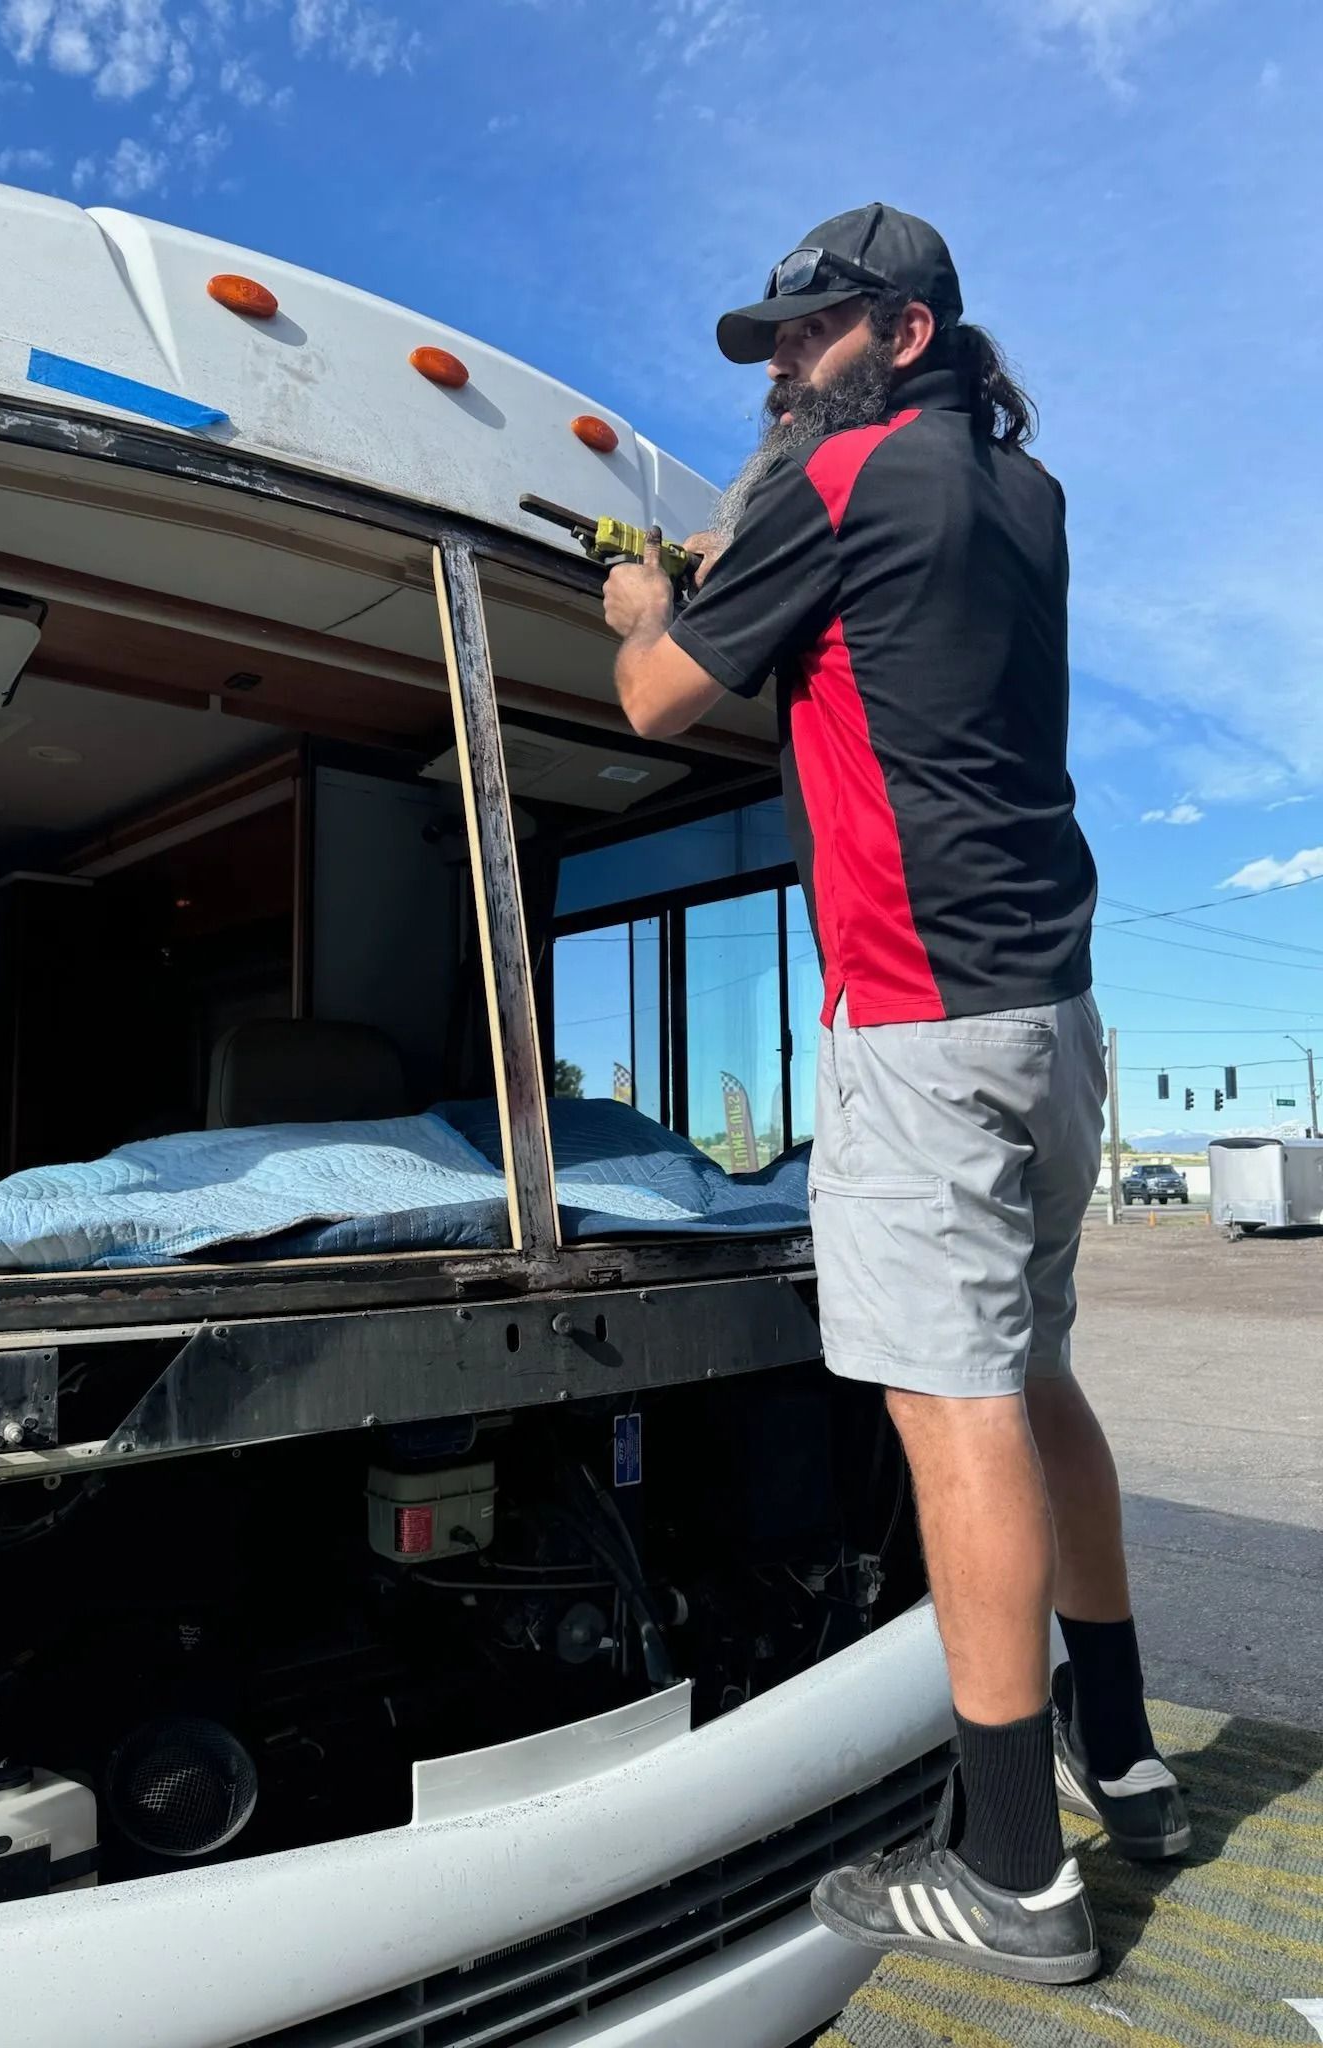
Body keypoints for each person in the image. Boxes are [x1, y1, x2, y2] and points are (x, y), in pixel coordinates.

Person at [601, 203, 1189, 1987]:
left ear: (904, 335)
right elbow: (826, 549)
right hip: (1053, 1015)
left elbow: (647, 703)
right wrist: (735, 530)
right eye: (774, 343)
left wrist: (649, 600)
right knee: (1040, 1378)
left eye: (808, 334)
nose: (783, 365)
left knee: (957, 1420)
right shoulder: (1024, 495)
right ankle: (1127, 1753)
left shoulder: (839, 484)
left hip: (920, 1023)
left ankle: (1015, 1876)